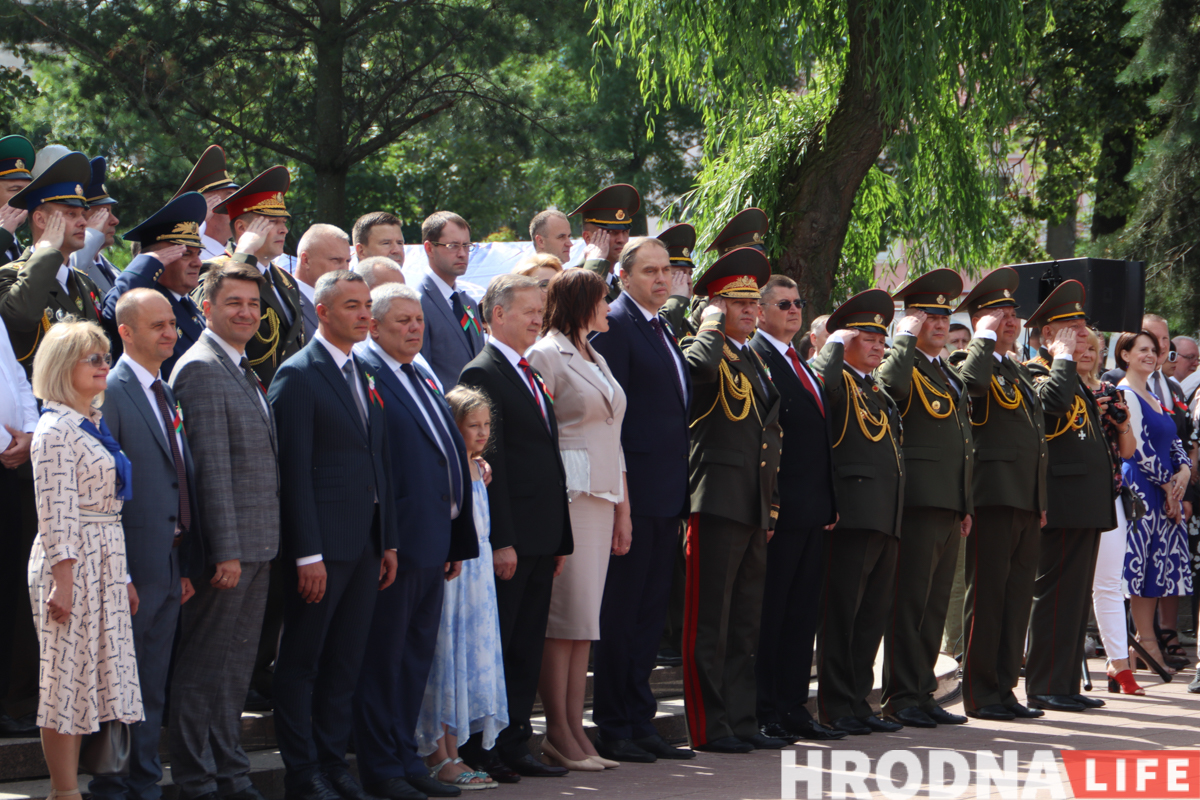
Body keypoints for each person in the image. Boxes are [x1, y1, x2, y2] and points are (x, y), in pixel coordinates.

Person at [269, 271, 400, 800]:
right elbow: (293, 472)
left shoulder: (362, 370)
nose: (365, 314)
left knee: (345, 662)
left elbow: (378, 459)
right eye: (352, 306)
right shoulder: (299, 374)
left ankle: (333, 764)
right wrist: (307, 553)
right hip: (321, 549)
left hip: (365, 544)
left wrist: (387, 540)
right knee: (302, 662)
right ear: (321, 312)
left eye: (367, 304)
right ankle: (303, 774)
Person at [353, 282, 479, 800]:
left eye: (419, 320)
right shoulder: (367, 371)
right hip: (397, 543)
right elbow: (377, 464)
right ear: (374, 325)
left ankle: (406, 757)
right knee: (384, 661)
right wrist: (390, 539)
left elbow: (447, 453)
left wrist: (456, 538)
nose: (414, 328)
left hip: (434, 539)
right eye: (402, 321)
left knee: (414, 662)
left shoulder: (420, 372)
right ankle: (382, 767)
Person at [167, 260, 280, 800]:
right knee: (204, 668)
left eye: (254, 304)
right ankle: (197, 780)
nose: (246, 313)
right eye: (234, 302)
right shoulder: (201, 368)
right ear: (206, 307)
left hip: (259, 545)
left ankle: (230, 774)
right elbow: (208, 469)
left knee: (233, 670)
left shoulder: (239, 365)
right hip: (228, 553)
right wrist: (225, 551)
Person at [457, 274, 574, 782]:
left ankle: (516, 741)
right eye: (528, 311)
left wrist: (560, 535)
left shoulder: (529, 370)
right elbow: (495, 463)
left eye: (540, 311)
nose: (537, 320)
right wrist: (501, 539)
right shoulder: (482, 371)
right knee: (501, 644)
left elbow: (547, 454)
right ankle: (485, 747)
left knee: (527, 644)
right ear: (498, 314)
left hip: (542, 532)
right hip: (513, 537)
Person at [92, 289, 203, 800]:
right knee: (120, 680)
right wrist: (123, 572)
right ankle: (113, 783)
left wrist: (183, 563)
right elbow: (106, 490)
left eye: (171, 324)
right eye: (157, 325)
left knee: (152, 681)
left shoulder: (165, 389)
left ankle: (144, 781)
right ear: (126, 332)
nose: (169, 333)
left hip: (169, 561)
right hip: (130, 566)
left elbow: (179, 472)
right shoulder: (111, 391)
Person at [589, 237, 695, 763]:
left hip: (667, 493)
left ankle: (639, 719)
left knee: (650, 616)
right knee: (623, 613)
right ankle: (614, 724)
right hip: (633, 494)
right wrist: (621, 502)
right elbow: (615, 423)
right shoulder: (616, 326)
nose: (661, 278)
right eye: (649, 270)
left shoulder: (662, 326)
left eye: (666, 270)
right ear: (623, 276)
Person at [29, 319, 142, 800]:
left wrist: (125, 576)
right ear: (62, 366)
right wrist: (64, 582)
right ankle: (64, 793)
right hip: (72, 561)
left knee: (97, 677)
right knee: (65, 679)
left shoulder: (89, 421)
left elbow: (109, 507)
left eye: (105, 357)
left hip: (104, 557)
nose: (104, 365)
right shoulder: (55, 429)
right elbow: (55, 511)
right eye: (92, 358)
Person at [679, 248, 783, 753]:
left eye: (752, 302)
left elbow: (769, 437)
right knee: (710, 622)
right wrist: (709, 325)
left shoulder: (754, 359)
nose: (749, 310)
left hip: (752, 502)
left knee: (744, 622)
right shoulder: (702, 347)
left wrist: (771, 505)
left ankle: (741, 719)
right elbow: (695, 374)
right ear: (715, 306)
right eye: (735, 303)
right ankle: (709, 725)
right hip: (716, 499)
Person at [526, 269, 630, 771]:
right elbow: (538, 433)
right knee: (564, 619)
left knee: (584, 621)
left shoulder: (595, 354)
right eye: (603, 299)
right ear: (582, 302)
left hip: (603, 495)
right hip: (569, 496)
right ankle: (559, 732)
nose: (609, 307)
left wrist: (623, 507)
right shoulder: (546, 353)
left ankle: (574, 729)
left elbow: (613, 435)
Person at [949, 268, 1058, 721]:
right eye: (999, 313)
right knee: (988, 598)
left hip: (1025, 498)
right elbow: (971, 388)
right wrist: (983, 338)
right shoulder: (967, 361)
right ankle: (980, 691)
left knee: (1015, 601)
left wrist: (1040, 499)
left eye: (1013, 313)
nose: (1010, 320)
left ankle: (1005, 687)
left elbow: (1036, 438)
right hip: (992, 495)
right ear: (979, 320)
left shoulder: (1015, 368)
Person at [876, 269, 977, 730]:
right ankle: (900, 696)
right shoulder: (904, 361)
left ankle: (921, 691)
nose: (938, 324)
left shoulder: (946, 371)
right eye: (928, 316)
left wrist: (966, 502)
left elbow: (963, 442)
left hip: (949, 501)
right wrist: (902, 338)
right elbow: (891, 389)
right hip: (917, 499)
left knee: (934, 605)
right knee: (910, 603)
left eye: (943, 317)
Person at [748, 274, 843, 742]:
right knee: (772, 614)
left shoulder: (798, 360)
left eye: (798, 302)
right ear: (760, 311)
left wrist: (830, 500)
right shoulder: (758, 357)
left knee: (802, 615)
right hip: (780, 509)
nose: (793, 310)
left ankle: (792, 705)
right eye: (783, 303)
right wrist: (772, 505)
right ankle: (764, 708)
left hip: (813, 508)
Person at [810, 290, 904, 736]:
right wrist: (832, 341)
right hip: (852, 514)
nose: (878, 347)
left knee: (870, 619)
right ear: (846, 341)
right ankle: (835, 705)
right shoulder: (837, 378)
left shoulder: (874, 388)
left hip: (885, 514)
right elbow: (821, 385)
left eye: (882, 340)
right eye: (867, 338)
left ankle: (858, 700)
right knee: (842, 616)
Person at [1024, 280, 1117, 712]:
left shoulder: (1071, 376)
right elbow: (1051, 408)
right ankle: (1045, 684)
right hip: (1060, 501)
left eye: (1083, 327)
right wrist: (1061, 359)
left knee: (1075, 599)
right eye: (1071, 328)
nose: (1082, 334)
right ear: (1047, 334)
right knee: (1055, 596)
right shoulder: (1037, 371)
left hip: (1083, 502)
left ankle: (1065, 684)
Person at [415, 386, 507, 791]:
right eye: (473, 425)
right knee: (445, 658)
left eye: (486, 424)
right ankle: (437, 754)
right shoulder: (448, 466)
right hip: (454, 576)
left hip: (479, 580)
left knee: (467, 659)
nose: (483, 432)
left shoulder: (478, 467)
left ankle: (454, 750)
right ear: (453, 426)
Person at [1116, 330, 1193, 679]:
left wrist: (1184, 472)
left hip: (1164, 490)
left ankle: (1146, 642)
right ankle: (1141, 643)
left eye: (1154, 349)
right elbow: (1140, 450)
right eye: (1142, 349)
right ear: (1125, 355)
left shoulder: (1153, 395)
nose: (1151, 354)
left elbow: (1174, 441)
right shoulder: (1125, 393)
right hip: (1142, 491)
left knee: (1153, 572)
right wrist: (1168, 488)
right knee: (1138, 569)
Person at [0, 149, 104, 378]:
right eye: (70, 214)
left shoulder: (86, 283)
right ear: (40, 219)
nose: (82, 222)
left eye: (82, 214)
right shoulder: (9, 276)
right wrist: (46, 250)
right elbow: (22, 317)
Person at [1077, 328, 1141, 695]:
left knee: (1109, 583)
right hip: (1069, 497)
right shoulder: (1053, 387)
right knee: (1062, 582)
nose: (1087, 353)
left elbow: (1128, 451)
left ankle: (1119, 663)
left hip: (1109, 494)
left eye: (1093, 348)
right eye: (1081, 347)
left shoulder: (1110, 391)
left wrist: (1122, 422)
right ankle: (1047, 659)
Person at [210, 165, 304, 385]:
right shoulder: (214, 271)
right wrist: (244, 252)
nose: (284, 230)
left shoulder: (285, 280)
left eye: (283, 222)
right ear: (242, 229)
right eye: (271, 221)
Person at [103, 192, 209, 378]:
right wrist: (146, 264)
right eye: (186, 254)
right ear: (159, 261)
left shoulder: (188, 305)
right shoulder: (142, 300)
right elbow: (118, 308)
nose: (198, 263)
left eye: (198, 254)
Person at [0, 308, 40, 738]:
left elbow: (16, 377)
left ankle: (3, 704)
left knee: (8, 586)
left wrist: (29, 431)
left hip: (10, 463)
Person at [417, 211, 486, 391]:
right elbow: (421, 371)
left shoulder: (468, 302)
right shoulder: (417, 303)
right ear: (429, 248)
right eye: (453, 246)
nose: (462, 253)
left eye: (466, 245)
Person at [571, 184, 640, 303]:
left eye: (625, 232)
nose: (621, 239)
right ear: (588, 238)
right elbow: (583, 306)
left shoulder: (624, 285)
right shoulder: (572, 281)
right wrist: (596, 262)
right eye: (611, 232)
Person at [173, 145, 240, 261]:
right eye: (230, 199)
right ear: (207, 207)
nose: (240, 207)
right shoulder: (183, 253)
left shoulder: (241, 252)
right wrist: (198, 222)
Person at [73, 156, 121, 295]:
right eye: (103, 214)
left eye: (110, 212)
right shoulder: (71, 263)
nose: (115, 220)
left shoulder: (114, 271)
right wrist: (90, 233)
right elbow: (74, 271)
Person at [295, 224, 352, 339]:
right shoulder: (286, 302)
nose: (345, 269)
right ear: (306, 260)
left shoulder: (347, 305)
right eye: (336, 260)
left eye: (347, 261)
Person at [656, 223, 700, 340]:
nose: (689, 281)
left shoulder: (686, 326)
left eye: (690, 274)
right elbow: (659, 337)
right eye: (680, 274)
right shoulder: (651, 317)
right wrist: (677, 299)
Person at [0, 134, 35, 264]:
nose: (24, 198)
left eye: (26, 191)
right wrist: (3, 234)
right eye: (15, 190)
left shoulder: (21, 249)